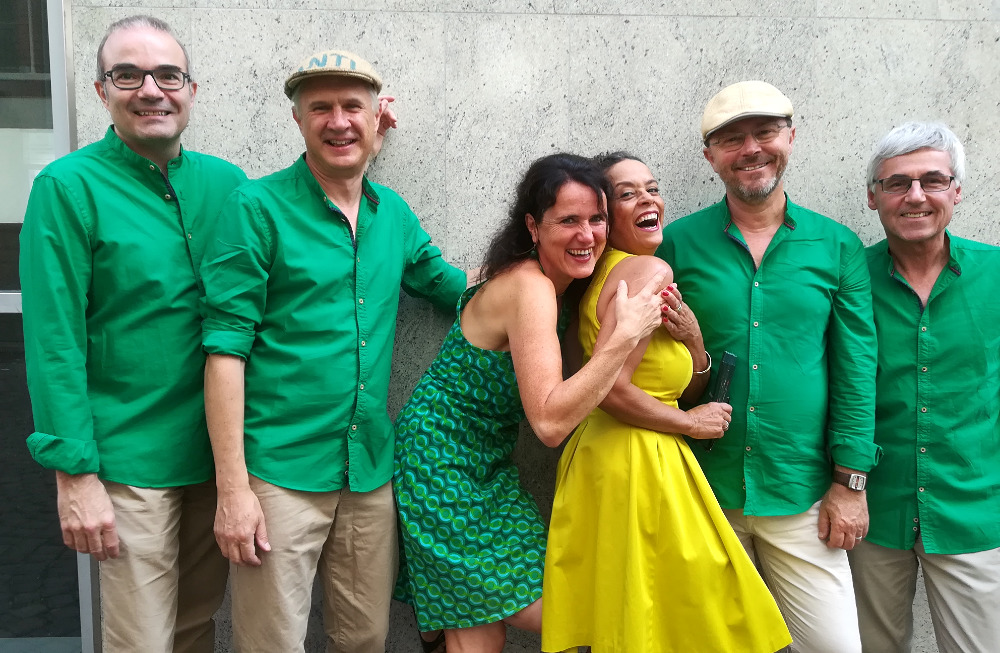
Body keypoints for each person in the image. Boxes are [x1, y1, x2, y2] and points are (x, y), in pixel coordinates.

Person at [199, 49, 467, 653]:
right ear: (298, 119)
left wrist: (541, 277)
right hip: (278, 474)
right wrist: (234, 491)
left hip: (368, 472)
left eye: (353, 107)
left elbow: (450, 287)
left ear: (376, 119)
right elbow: (224, 353)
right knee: (270, 644)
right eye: (321, 108)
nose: (338, 121)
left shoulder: (391, 214)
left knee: (365, 639)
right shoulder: (257, 208)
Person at [19, 15, 247, 652]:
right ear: (101, 91)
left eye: (168, 75)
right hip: (128, 464)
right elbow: (54, 340)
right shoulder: (67, 187)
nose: (151, 90)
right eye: (128, 75)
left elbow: (301, 212)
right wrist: (75, 475)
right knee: (140, 640)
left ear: (191, 90)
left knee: (195, 627)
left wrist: (359, 134)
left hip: (215, 455)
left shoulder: (227, 184)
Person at [393, 152, 669, 653]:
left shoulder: (548, 282)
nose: (586, 234)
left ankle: (439, 627)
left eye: (596, 219)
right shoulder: (530, 285)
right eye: (568, 220)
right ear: (533, 226)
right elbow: (549, 423)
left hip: (488, 468)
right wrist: (624, 336)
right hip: (438, 464)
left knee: (483, 625)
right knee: (539, 613)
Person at [656, 81, 880, 653]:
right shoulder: (676, 244)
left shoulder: (837, 246)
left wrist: (851, 482)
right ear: (710, 157)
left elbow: (856, 370)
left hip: (801, 492)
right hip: (703, 490)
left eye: (765, 133)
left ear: (791, 138)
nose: (751, 149)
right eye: (732, 139)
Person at [541, 152, 791, 653]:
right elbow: (610, 389)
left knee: (635, 621)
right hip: (641, 464)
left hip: (610, 460)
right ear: (605, 215)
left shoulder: (597, 278)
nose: (647, 199)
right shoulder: (649, 270)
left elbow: (649, 382)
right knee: (704, 620)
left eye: (652, 188)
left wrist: (695, 343)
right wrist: (690, 424)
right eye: (627, 194)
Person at [848, 121, 1000, 653]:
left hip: (972, 513)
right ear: (873, 197)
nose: (915, 196)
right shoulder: (848, 279)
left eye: (932, 180)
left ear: (956, 191)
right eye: (897, 183)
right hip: (869, 513)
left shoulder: (997, 275)